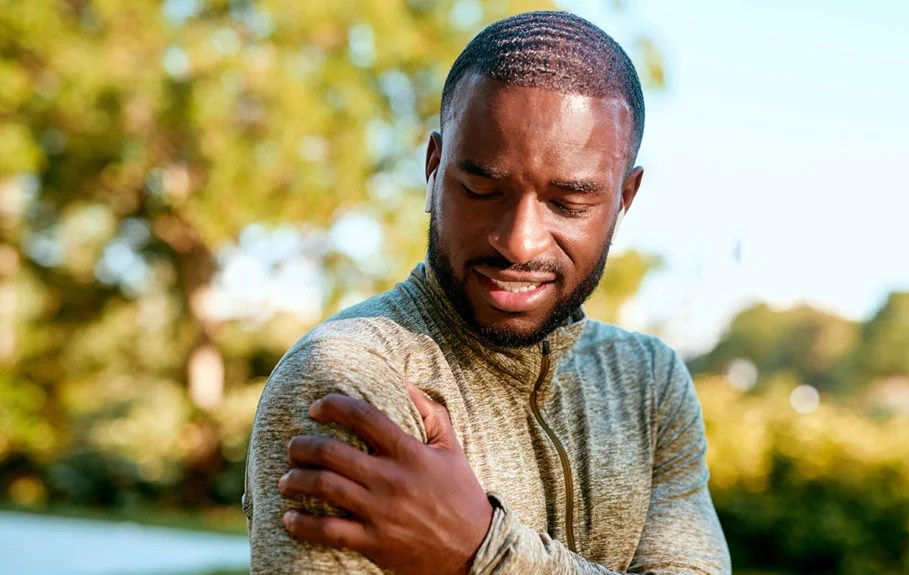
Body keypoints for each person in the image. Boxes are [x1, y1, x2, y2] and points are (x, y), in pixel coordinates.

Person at [243, 10, 730, 575]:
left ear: (625, 198)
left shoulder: (649, 382)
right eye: (481, 189)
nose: (518, 242)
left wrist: (480, 551)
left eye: (568, 204)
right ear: (433, 168)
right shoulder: (351, 378)